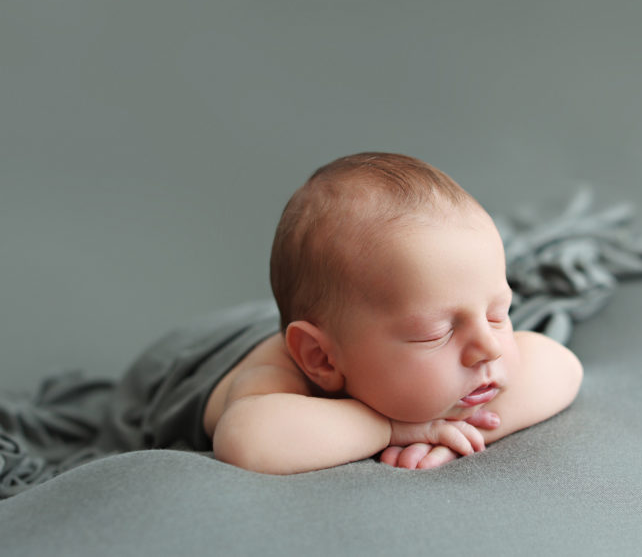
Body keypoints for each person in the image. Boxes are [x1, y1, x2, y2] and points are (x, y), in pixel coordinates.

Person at [203, 152, 583, 474]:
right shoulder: (279, 374)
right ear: (323, 358)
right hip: (208, 355)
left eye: (499, 313)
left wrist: (466, 432)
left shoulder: (475, 343)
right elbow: (246, 440)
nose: (489, 347)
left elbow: (562, 366)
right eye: (437, 333)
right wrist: (394, 428)